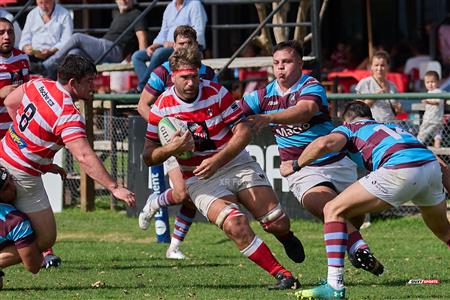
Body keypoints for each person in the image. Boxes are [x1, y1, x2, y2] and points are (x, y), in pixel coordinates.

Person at [143, 46, 303, 289]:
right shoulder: (161, 109)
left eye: (194, 76)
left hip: (235, 163)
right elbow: (148, 156)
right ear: (172, 76)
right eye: (184, 78)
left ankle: (286, 237)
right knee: (235, 226)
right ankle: (282, 275)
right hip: (200, 178)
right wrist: (172, 149)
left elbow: (244, 131)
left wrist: (217, 160)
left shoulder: (217, 93)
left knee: (276, 221)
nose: (190, 83)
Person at [240, 40, 383, 276]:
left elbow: (304, 111)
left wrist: (269, 118)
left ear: (299, 63)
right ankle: (359, 248)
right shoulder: (264, 95)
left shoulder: (312, 86)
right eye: (276, 63)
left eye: (286, 62)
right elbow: (235, 110)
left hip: (336, 163)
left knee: (352, 219)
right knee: (328, 208)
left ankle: (351, 244)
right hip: (301, 169)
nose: (280, 68)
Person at [285, 101, 450, 299]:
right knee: (444, 231)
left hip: (400, 169)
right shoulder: (393, 127)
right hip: (429, 168)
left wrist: (295, 165)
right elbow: (440, 163)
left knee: (332, 210)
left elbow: (324, 144)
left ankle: (334, 286)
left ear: (345, 117)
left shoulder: (349, 128)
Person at [0, 55, 135, 270]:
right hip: (21, 175)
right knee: (44, 239)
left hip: (3, 156)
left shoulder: (39, 84)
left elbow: (10, 102)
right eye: (89, 81)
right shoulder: (68, 113)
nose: (94, 86)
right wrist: (114, 187)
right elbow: (84, 156)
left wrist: (32, 151)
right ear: (73, 83)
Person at [137, 25, 216, 259]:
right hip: (173, 141)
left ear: (196, 45)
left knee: (194, 194)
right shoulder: (163, 72)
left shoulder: (207, 72)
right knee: (182, 193)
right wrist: (164, 128)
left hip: (199, 139)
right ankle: (154, 203)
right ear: (174, 46)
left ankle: (174, 247)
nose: (185, 48)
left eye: (189, 44)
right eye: (180, 44)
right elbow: (143, 105)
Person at [0, 16, 61, 268]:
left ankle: (44, 249)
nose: (6, 36)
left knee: (23, 194)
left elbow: (22, 94)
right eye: (1, 32)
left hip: (16, 138)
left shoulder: (21, 58)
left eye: (9, 32)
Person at [39, 0, 148, 78]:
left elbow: (142, 37)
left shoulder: (136, 14)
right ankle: (55, 79)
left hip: (114, 50)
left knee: (77, 37)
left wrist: (141, 58)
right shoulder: (119, 15)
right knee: (74, 53)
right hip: (106, 49)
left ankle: (46, 65)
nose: (123, 0)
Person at [131, 0, 207, 92]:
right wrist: (154, 45)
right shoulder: (170, 7)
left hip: (186, 46)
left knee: (159, 53)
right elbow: (164, 31)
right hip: (168, 46)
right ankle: (150, 87)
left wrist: (175, 43)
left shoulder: (195, 4)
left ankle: (143, 87)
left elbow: (198, 31)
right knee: (137, 56)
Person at [0, 167, 43, 289]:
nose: (14, 186)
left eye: (11, 179)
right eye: (7, 186)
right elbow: (33, 266)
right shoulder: (14, 220)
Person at [355, 50, 399, 123]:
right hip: (371, 125)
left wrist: (398, 108)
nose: (379, 68)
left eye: (382, 65)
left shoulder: (392, 85)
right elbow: (358, 109)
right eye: (376, 65)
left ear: (388, 66)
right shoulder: (364, 83)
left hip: (390, 125)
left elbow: (397, 110)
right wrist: (375, 96)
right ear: (371, 67)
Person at [417, 70, 444, 148]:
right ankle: (437, 149)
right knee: (437, 134)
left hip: (430, 119)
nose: (430, 84)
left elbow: (437, 102)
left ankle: (418, 145)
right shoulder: (430, 92)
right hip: (438, 119)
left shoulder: (438, 91)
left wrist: (427, 101)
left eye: (432, 82)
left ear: (438, 82)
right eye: (427, 82)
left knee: (422, 134)